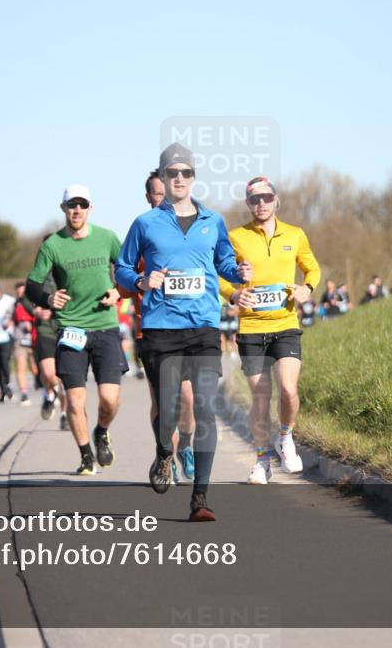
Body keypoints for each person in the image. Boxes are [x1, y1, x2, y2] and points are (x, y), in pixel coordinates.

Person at [116, 143, 252, 521]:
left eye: (185, 173)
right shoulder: (146, 223)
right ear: (162, 177)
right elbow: (123, 270)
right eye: (172, 173)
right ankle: (164, 454)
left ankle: (200, 499)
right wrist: (143, 280)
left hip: (204, 327)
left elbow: (224, 260)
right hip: (161, 328)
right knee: (170, 408)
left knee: (206, 408)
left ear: (194, 178)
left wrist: (237, 272)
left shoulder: (213, 220)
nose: (179, 179)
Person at [220, 176, 321, 484]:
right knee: (261, 398)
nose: (260, 203)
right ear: (248, 204)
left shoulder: (295, 234)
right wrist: (234, 293)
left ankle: (286, 437)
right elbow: (219, 274)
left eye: (266, 198)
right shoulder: (236, 237)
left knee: (289, 389)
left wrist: (307, 289)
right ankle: (262, 461)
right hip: (251, 328)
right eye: (254, 199)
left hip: (285, 324)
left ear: (277, 200)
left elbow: (312, 268)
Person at [26, 185, 127, 475]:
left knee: (109, 398)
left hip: (105, 327)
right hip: (70, 329)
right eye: (72, 205)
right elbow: (33, 284)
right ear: (63, 209)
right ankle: (85, 455)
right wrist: (47, 298)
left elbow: (127, 270)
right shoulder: (53, 245)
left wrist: (118, 291)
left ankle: (102, 431)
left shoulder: (107, 238)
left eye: (82, 205)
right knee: (74, 399)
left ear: (90, 208)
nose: (77, 210)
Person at [117, 169, 197, 483]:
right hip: (150, 329)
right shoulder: (143, 230)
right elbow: (124, 273)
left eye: (167, 192)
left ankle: (186, 445)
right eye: (157, 193)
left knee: (188, 398)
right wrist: (133, 284)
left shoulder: (189, 229)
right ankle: (166, 456)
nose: (163, 197)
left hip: (188, 326)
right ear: (149, 196)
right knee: (162, 401)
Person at [10, 281, 37, 407]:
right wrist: (8, 323)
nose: (20, 294)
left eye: (23, 291)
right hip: (19, 340)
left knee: (35, 368)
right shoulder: (14, 304)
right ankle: (24, 394)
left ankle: (42, 384)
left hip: (34, 339)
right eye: (18, 292)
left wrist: (32, 322)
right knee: (20, 367)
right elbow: (8, 318)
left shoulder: (34, 303)